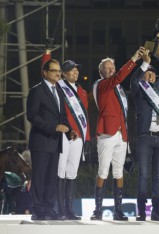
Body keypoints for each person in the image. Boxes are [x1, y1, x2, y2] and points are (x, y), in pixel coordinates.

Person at [90, 46, 145, 221]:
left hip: (121, 134)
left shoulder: (117, 88)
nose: (109, 70)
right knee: (103, 170)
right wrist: (134, 58)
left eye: (111, 68)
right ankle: (97, 210)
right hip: (106, 132)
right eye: (105, 68)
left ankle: (118, 210)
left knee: (119, 172)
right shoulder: (101, 85)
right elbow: (120, 76)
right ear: (100, 73)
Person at [42, 50, 91, 220]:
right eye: (71, 69)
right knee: (60, 171)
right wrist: (47, 54)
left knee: (72, 172)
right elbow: (46, 72)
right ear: (63, 73)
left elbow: (84, 117)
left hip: (77, 135)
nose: (76, 72)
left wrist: (87, 138)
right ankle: (60, 208)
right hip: (63, 133)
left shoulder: (82, 92)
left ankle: (69, 210)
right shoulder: (59, 86)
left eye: (77, 69)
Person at [27, 59, 77, 220]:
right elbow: (32, 116)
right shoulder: (37, 91)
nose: (57, 73)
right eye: (54, 70)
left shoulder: (59, 91)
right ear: (45, 72)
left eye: (58, 70)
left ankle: (48, 208)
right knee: (39, 177)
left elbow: (62, 116)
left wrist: (69, 131)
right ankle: (37, 209)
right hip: (41, 141)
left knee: (51, 179)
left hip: (56, 143)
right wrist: (54, 127)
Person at [130, 32, 159, 222]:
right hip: (145, 137)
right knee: (143, 175)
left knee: (158, 176)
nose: (151, 76)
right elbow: (134, 81)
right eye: (148, 73)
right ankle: (141, 211)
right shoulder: (139, 89)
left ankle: (156, 211)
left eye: (153, 73)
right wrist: (144, 64)